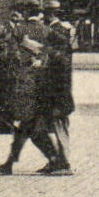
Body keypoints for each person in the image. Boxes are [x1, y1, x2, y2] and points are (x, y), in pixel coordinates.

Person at [0, 30, 59, 174]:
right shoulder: (16, 49)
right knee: (27, 133)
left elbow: (44, 58)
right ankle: (10, 164)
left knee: (31, 133)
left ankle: (55, 161)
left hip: (33, 97)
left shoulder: (28, 48)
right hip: (27, 97)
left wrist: (38, 64)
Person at [41, 17, 76, 174]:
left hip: (59, 101)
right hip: (58, 100)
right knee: (56, 129)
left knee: (60, 130)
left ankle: (64, 163)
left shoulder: (60, 60)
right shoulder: (62, 57)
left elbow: (60, 83)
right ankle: (56, 161)